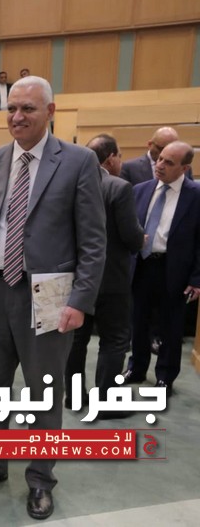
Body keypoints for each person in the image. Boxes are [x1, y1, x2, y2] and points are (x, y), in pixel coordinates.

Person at [0, 76, 106, 520]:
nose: (17, 117)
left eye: (28, 109)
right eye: (12, 109)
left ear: (50, 111)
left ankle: (40, 478)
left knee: (44, 392)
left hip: (50, 297)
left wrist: (80, 300)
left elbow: (93, 240)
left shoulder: (78, 162)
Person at [65, 134, 143, 417]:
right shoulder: (119, 187)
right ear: (110, 158)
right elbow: (131, 236)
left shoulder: (70, 184)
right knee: (114, 340)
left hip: (76, 278)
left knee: (76, 341)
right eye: (119, 156)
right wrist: (141, 238)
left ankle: (73, 397)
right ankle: (106, 403)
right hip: (111, 279)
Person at [123, 141, 200, 397]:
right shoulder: (140, 190)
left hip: (174, 269)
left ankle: (165, 377)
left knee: (171, 326)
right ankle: (136, 368)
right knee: (138, 321)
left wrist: (197, 279)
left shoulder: (195, 195)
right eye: (160, 159)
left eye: (169, 162)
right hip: (142, 265)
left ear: (184, 168)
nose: (160, 165)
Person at [121, 127, 193, 185]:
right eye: (161, 148)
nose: (166, 153)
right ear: (150, 144)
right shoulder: (129, 168)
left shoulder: (183, 168)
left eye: (172, 149)